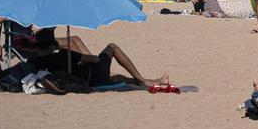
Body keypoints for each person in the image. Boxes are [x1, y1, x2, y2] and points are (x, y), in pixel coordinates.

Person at [28, 41, 170, 88]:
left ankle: (156, 81)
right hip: (93, 76)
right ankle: (143, 80)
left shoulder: (36, 62)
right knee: (112, 47)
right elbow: (95, 59)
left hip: (89, 82)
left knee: (120, 78)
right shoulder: (63, 54)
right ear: (53, 47)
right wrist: (80, 59)